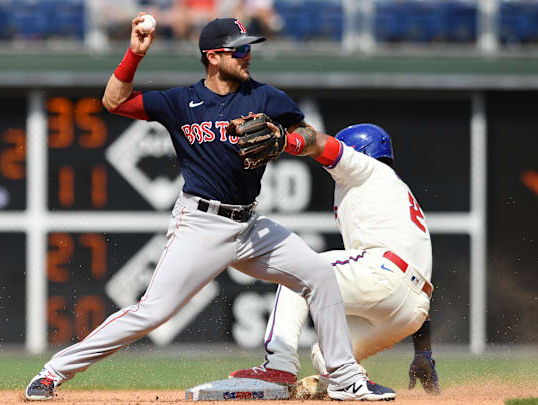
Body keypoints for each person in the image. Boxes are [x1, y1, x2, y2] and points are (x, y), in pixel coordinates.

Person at [24, 14, 396, 401]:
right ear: (214, 57)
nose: (247, 56)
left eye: (249, 48)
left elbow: (306, 132)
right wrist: (134, 55)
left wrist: (287, 140)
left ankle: (345, 378)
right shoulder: (181, 102)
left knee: (319, 275)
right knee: (151, 312)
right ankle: (52, 373)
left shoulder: (265, 97)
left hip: (249, 226)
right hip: (200, 224)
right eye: (239, 49)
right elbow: (113, 102)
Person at [229, 124, 441, 395]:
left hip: (387, 277)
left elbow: (320, 144)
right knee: (330, 354)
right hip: (412, 311)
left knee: (298, 271)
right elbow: (412, 278)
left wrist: (288, 141)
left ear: (358, 152)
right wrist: (424, 352)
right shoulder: (392, 192)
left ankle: (278, 365)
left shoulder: (366, 169)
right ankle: (353, 382)